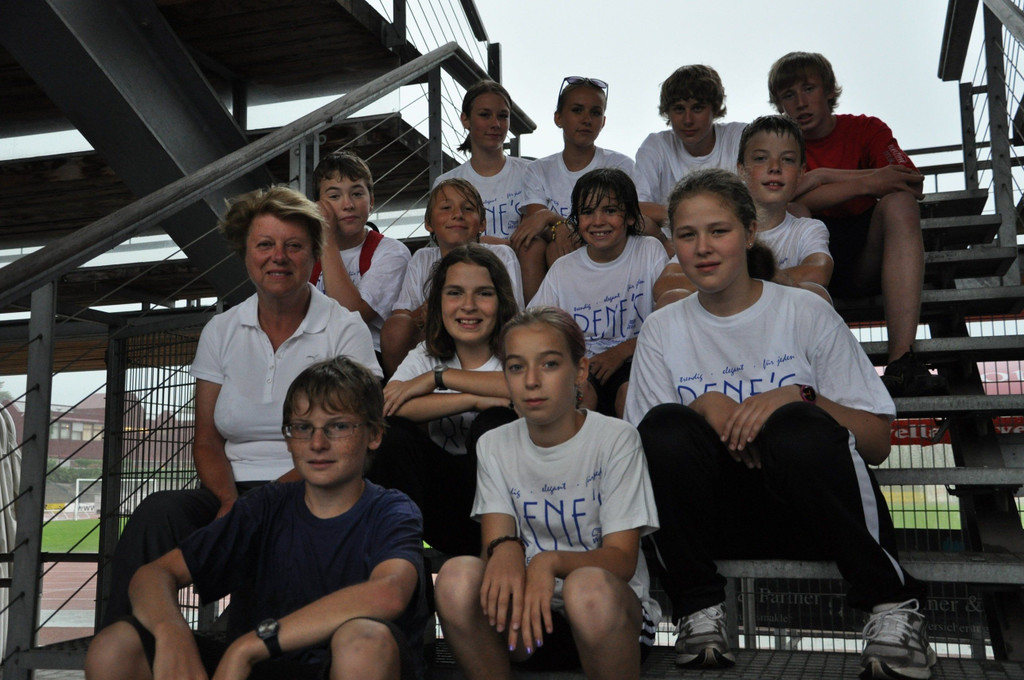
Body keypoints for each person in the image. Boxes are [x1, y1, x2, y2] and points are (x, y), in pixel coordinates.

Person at [623, 169, 935, 680]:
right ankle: (698, 611)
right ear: (673, 244)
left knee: (796, 423)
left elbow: (878, 442)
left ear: (749, 233)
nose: (703, 248)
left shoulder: (804, 311)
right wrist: (703, 407)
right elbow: (643, 461)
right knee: (663, 428)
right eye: (687, 234)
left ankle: (894, 606)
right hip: (715, 524)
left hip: (809, 515)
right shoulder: (662, 328)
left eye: (719, 230)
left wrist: (799, 397)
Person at [102, 186, 382, 626]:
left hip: (313, 488)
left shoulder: (344, 329)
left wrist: (259, 506)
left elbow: (354, 439)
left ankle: (247, 633)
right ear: (246, 254)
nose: (278, 257)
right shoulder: (222, 329)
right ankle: (128, 645)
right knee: (158, 512)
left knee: (275, 534)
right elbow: (207, 440)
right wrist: (230, 500)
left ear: (314, 255)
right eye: (265, 245)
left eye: (294, 246)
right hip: (230, 490)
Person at [85, 357, 428, 680]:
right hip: (260, 669)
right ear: (288, 439)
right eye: (302, 427)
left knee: (363, 642)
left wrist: (250, 645)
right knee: (115, 647)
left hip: (334, 666)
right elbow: (152, 575)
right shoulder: (266, 506)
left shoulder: (391, 510)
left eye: (338, 427)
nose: (317, 443)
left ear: (374, 435)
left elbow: (387, 593)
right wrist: (171, 633)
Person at [434, 306, 660, 680]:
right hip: (529, 622)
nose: (532, 381)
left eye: (550, 364)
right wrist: (504, 548)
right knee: (456, 577)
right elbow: (496, 547)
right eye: (516, 367)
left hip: (608, 615)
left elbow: (622, 560)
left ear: (580, 371)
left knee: (586, 588)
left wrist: (547, 562)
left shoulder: (616, 439)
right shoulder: (494, 444)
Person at [768, 51, 947, 397]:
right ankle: (800, 368)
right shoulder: (779, 146)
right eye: (789, 95)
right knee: (795, 212)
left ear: (829, 90)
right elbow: (781, 201)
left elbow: (911, 183)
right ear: (779, 104)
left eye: (809, 89)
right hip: (809, 265)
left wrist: (820, 181)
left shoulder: (866, 129)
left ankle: (902, 363)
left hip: (868, 255)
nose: (800, 102)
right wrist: (865, 180)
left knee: (899, 203)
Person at [369, 244, 519, 557]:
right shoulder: (426, 354)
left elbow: (526, 388)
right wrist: (472, 400)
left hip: (511, 509)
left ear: (501, 301)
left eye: (483, 293)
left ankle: (499, 555)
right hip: (446, 502)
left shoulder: (517, 347)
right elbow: (388, 406)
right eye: (455, 293)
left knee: (495, 423)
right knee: (391, 435)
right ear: (438, 302)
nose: (468, 306)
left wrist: (440, 379)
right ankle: (401, 561)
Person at [529, 168, 669, 417]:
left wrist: (621, 351)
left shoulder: (649, 251)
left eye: (610, 210)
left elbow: (669, 322)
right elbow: (535, 325)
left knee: (629, 393)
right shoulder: (564, 268)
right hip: (584, 367)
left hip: (637, 360)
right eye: (587, 212)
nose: (597, 221)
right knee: (580, 393)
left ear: (630, 216)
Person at [512, 76, 644, 300]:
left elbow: (631, 218)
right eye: (577, 110)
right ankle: (537, 316)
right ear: (558, 118)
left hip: (608, 244)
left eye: (595, 112)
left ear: (603, 121)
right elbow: (535, 224)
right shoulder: (538, 170)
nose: (586, 119)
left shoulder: (620, 165)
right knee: (536, 246)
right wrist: (558, 227)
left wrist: (555, 220)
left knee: (560, 245)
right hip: (562, 249)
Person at [380, 179, 524, 375]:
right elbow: (402, 319)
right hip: (434, 345)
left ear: (482, 223)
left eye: (468, 208)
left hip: (487, 343)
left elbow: (513, 315)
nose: (457, 215)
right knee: (396, 326)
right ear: (428, 223)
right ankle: (404, 383)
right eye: (446, 208)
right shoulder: (422, 258)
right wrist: (431, 312)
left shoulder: (501, 254)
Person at [313, 150, 412, 355]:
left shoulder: (391, 252)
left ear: (371, 201)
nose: (348, 205)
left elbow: (351, 314)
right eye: (334, 196)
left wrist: (326, 238)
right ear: (317, 206)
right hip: (312, 354)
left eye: (357, 194)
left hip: (365, 357)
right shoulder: (305, 253)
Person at [635, 65, 747, 232]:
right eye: (679, 109)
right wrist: (694, 217)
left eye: (697, 108)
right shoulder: (656, 146)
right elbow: (637, 208)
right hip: (673, 244)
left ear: (715, 108)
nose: (688, 120)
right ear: (668, 112)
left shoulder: (740, 137)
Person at [434, 80, 530, 243]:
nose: (495, 124)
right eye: (485, 115)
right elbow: (446, 242)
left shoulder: (531, 172)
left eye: (503, 116)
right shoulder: (445, 183)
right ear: (465, 119)